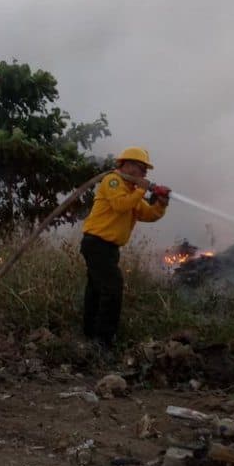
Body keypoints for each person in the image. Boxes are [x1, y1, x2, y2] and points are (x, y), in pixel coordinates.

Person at [80, 146, 171, 348]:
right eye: (142, 168)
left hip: (109, 248)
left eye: (146, 171)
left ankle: (90, 333)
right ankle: (103, 340)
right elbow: (120, 205)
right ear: (128, 165)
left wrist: (161, 204)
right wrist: (141, 190)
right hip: (97, 244)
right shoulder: (113, 181)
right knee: (112, 288)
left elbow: (148, 214)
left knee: (97, 289)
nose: (144, 174)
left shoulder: (131, 191)